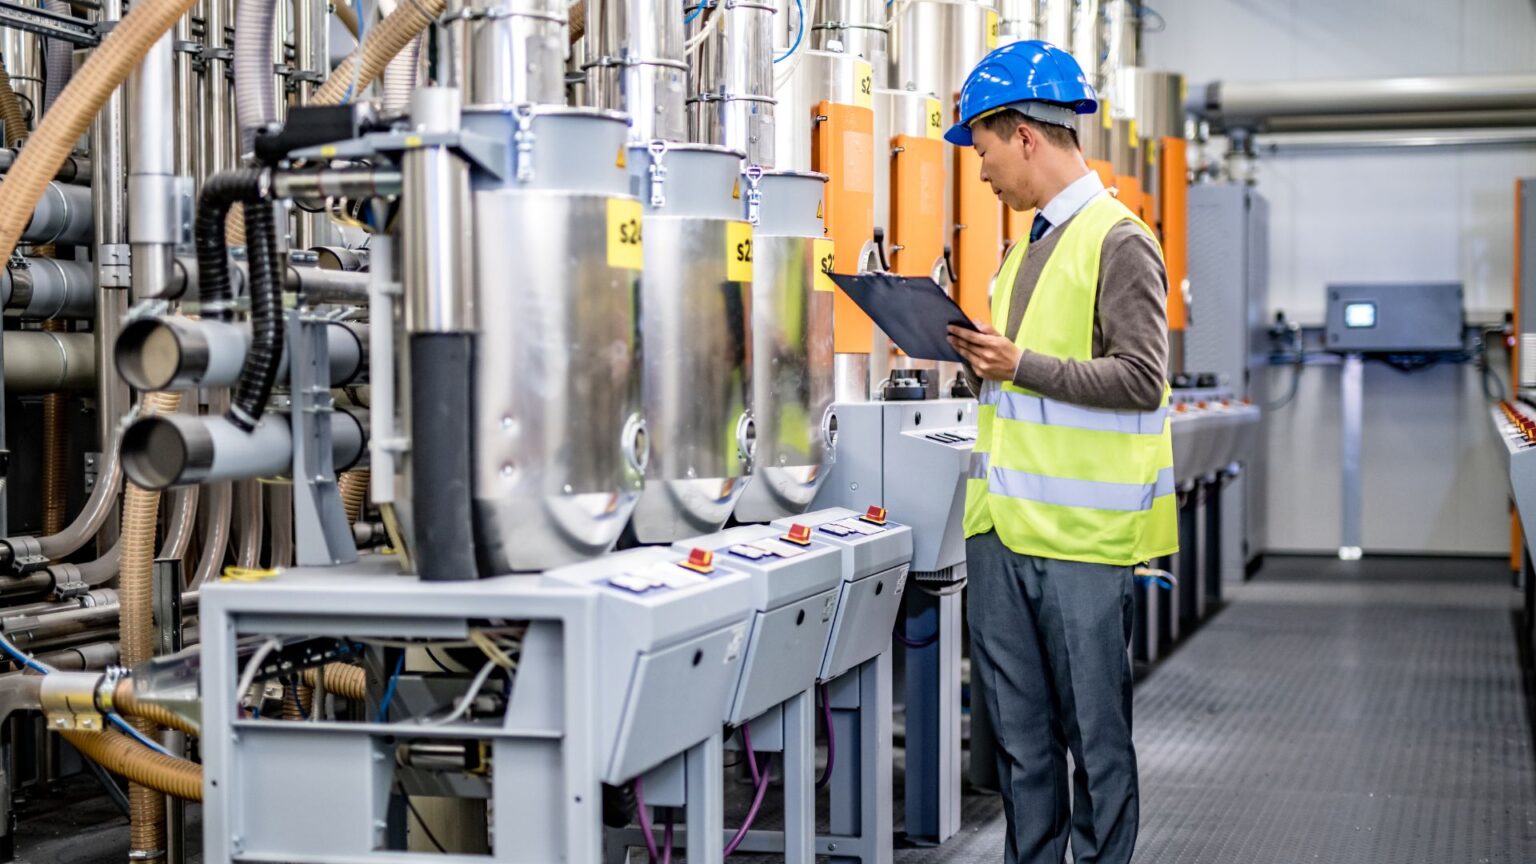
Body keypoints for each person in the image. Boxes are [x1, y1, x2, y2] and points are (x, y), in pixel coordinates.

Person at [941, 40, 1178, 864]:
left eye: (983, 149)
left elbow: (1144, 378)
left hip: (1080, 541)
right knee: (1020, 747)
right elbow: (1019, 388)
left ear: (1024, 136)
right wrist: (979, 364)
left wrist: (1017, 364)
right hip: (1005, 532)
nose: (981, 172)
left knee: (1096, 746)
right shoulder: (1022, 248)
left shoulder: (1119, 240)